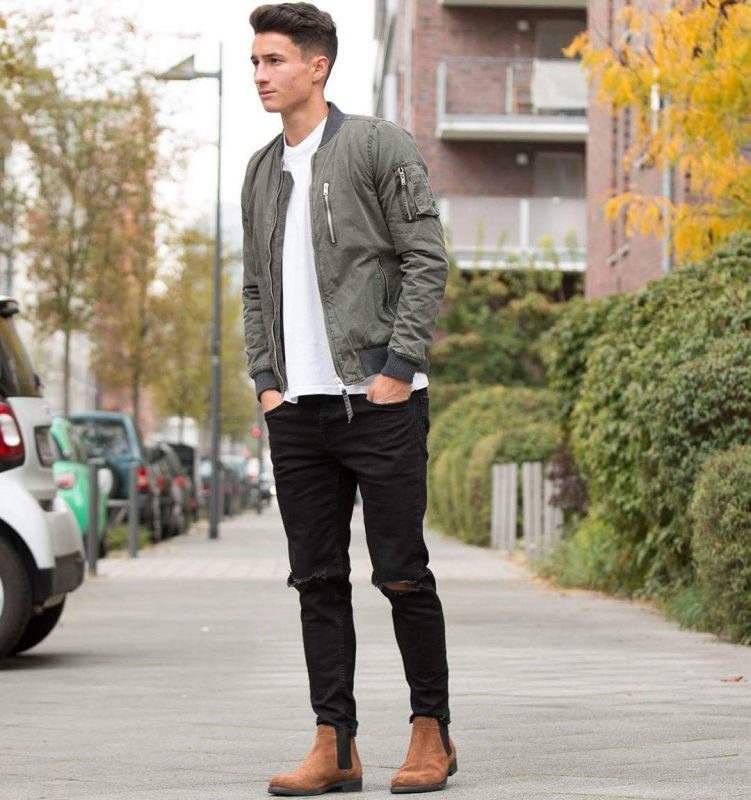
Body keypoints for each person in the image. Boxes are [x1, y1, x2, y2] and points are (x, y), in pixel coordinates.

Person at [241, 3, 455, 795]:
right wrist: (265, 380)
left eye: (272, 61)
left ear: (316, 65)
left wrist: (397, 365)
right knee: (316, 580)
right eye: (255, 62)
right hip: (295, 409)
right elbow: (255, 287)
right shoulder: (261, 171)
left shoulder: (375, 145)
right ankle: (334, 744)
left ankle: (430, 732)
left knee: (401, 572)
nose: (259, 75)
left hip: (380, 399)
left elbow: (425, 257)